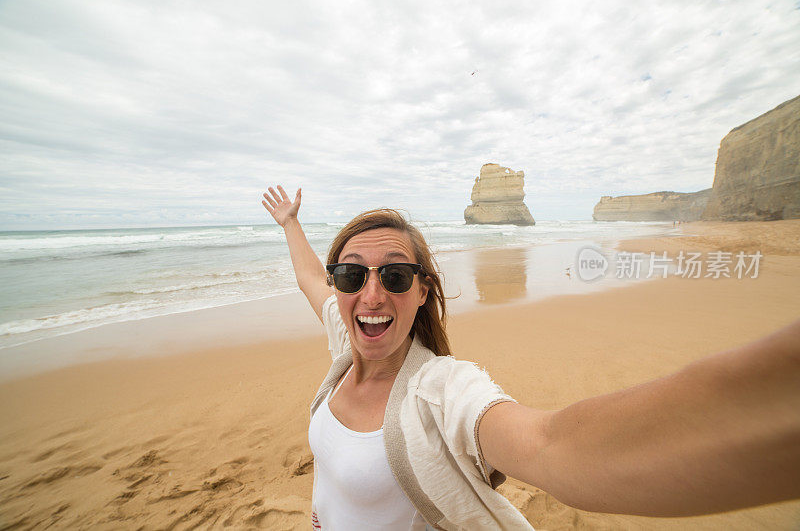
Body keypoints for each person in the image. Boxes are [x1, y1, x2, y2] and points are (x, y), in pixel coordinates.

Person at [262, 185, 800, 530]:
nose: (372, 295)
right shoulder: (347, 341)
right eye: (353, 275)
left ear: (424, 291)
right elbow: (311, 275)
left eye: (395, 275)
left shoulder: (442, 391)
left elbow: (550, 445)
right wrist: (290, 222)